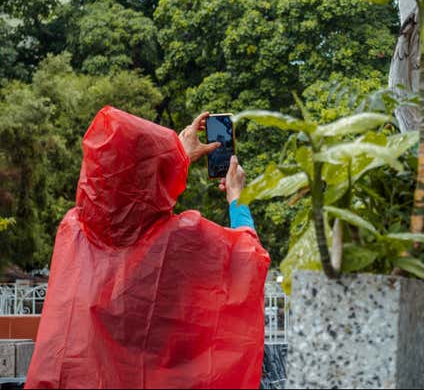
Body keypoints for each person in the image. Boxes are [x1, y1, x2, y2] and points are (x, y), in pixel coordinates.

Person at [25, 106, 270, 389]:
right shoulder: (179, 241)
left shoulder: (72, 231)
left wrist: (178, 155)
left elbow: (120, 185)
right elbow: (249, 259)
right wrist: (238, 196)